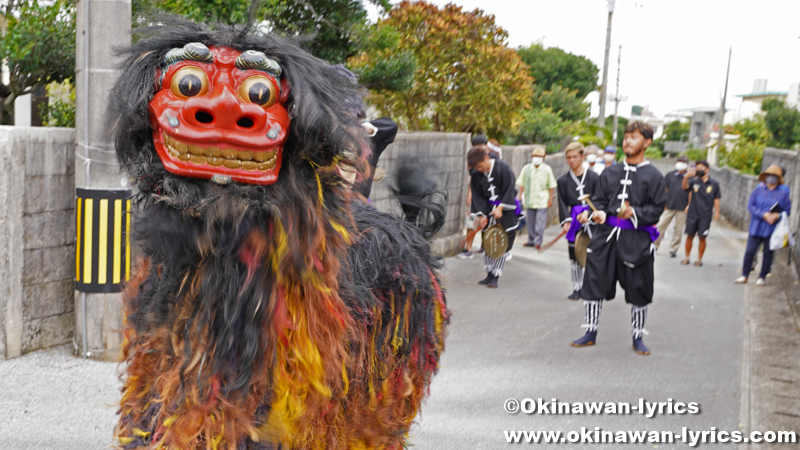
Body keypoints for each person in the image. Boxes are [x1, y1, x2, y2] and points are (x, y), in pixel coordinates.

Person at [571, 122, 667, 356]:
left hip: (636, 239)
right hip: (605, 239)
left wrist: (633, 212)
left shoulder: (654, 176)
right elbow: (601, 201)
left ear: (647, 142)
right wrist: (597, 213)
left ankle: (638, 336)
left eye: (634, 137)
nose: (627, 141)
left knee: (639, 288)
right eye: (626, 137)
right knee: (593, 283)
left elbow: (656, 210)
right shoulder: (610, 172)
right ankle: (590, 332)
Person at [468, 146, 520, 288]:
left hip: (505, 209)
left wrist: (501, 208)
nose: (479, 169)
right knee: (488, 241)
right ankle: (489, 274)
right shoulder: (475, 173)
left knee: (501, 243)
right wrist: (481, 215)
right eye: (476, 167)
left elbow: (510, 189)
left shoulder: (503, 168)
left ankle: (496, 276)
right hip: (488, 209)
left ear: (486, 158)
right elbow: (477, 196)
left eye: (480, 166)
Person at [735, 164, 792, 286]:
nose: (771, 178)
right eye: (769, 175)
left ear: (778, 179)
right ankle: (745, 274)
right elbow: (751, 206)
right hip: (756, 226)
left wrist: (777, 216)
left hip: (772, 228)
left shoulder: (782, 193)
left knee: (768, 253)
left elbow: (787, 210)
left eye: (774, 176)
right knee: (750, 251)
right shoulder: (758, 190)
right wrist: (763, 214)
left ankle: (762, 276)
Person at [557, 142, 600, 300]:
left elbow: (600, 199)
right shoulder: (563, 181)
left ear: (582, 157)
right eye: (568, 157)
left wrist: (589, 213)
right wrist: (566, 221)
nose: (572, 160)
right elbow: (561, 203)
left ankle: (590, 287)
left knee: (592, 254)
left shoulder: (594, 178)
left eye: (575, 157)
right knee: (575, 254)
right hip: (574, 220)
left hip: (592, 221)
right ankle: (577, 288)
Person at [680, 160, 721, 266]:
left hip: (705, 214)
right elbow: (685, 188)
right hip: (693, 213)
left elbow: (716, 198)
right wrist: (686, 177)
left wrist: (717, 211)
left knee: (702, 236)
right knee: (690, 235)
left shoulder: (714, 184)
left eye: (701, 168)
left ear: (707, 169)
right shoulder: (694, 181)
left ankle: (699, 259)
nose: (699, 170)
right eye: (697, 168)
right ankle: (687, 257)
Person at [516, 145, 557, 249]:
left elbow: (551, 185)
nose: (537, 158)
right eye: (535, 156)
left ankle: (538, 241)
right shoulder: (526, 168)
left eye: (539, 156)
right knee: (530, 221)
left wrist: (550, 198)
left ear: (543, 158)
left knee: (540, 222)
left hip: (542, 199)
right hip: (529, 198)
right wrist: (520, 196)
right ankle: (531, 239)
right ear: (531, 157)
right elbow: (522, 183)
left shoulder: (547, 169)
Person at [655, 155, 690, 257]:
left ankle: (673, 249)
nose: (680, 163)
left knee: (678, 230)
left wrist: (689, 205)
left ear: (686, 164)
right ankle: (655, 246)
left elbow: (691, 192)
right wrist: (663, 202)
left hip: (682, 208)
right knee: (660, 226)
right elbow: (665, 189)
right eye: (679, 161)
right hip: (669, 206)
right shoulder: (670, 175)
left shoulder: (689, 176)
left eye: (683, 162)